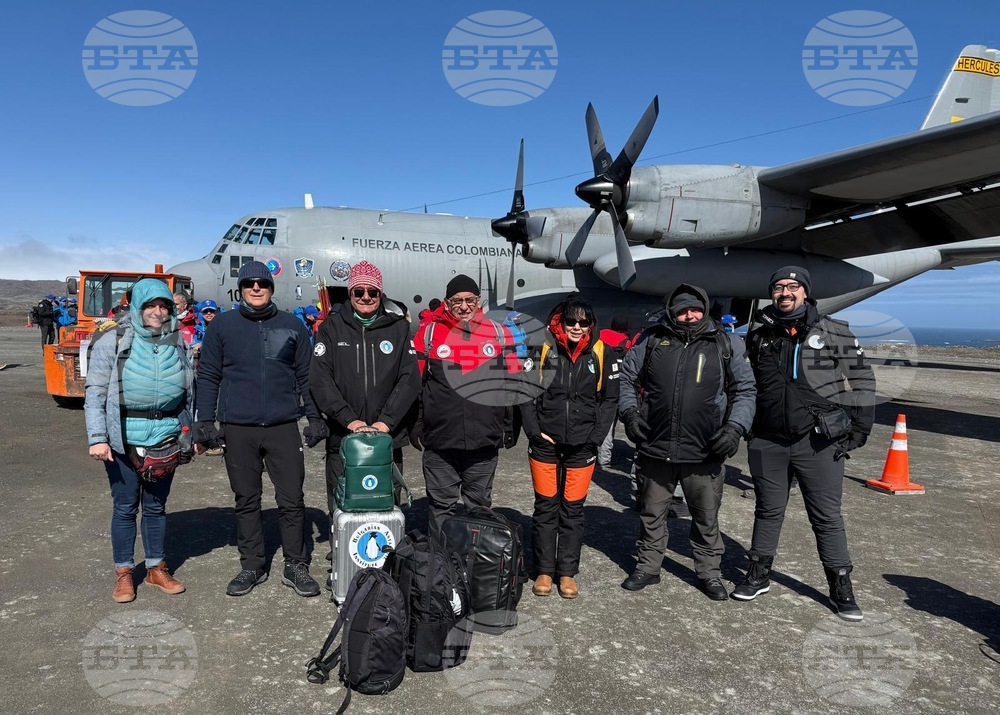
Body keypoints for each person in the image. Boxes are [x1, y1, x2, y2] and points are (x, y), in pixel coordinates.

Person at [734, 266, 875, 620]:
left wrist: (859, 430)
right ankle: (758, 574)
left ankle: (841, 586)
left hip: (818, 441)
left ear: (806, 292)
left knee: (827, 517)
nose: (785, 291)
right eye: (779, 286)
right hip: (768, 440)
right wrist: (749, 428)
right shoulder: (759, 334)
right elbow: (749, 384)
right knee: (768, 510)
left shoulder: (834, 332)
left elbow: (862, 380)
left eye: (793, 286)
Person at [194, 260, 328, 598]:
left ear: (271, 288)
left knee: (292, 498)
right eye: (250, 283)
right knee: (246, 498)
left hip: (282, 426)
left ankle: (296, 564)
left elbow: (305, 376)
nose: (256, 288)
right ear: (240, 288)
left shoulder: (291, 326)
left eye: (262, 284)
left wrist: (314, 417)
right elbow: (208, 376)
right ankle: (252, 565)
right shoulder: (222, 327)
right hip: (238, 427)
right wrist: (205, 420)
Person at [619, 284, 756, 600]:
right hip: (656, 447)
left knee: (706, 518)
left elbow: (745, 390)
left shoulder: (725, 343)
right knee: (652, 513)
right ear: (672, 312)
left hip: (704, 450)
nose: (689, 315)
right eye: (682, 310)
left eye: (695, 309)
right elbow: (627, 379)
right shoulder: (652, 340)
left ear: (705, 310)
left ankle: (709, 573)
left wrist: (734, 428)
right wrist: (629, 413)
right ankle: (648, 568)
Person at [309, 261, 419, 587]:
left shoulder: (398, 328)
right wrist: (349, 419)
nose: (366, 296)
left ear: (381, 293)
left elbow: (409, 380)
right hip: (344, 437)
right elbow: (320, 380)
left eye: (373, 291)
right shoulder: (330, 328)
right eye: (360, 291)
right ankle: (343, 561)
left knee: (384, 499)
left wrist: (386, 422)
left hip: (385, 439)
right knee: (342, 501)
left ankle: (386, 563)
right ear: (351, 292)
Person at [84, 279, 193, 603]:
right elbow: (95, 393)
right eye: (150, 305)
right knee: (125, 508)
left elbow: (190, 390)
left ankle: (156, 568)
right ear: (138, 307)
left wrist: (191, 433)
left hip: (165, 437)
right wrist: (97, 437)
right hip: (123, 440)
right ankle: (124, 573)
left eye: (164, 306)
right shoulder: (113, 339)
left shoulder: (177, 341)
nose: (157, 312)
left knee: (157, 508)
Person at [520, 296, 618, 599]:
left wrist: (595, 438)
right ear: (561, 322)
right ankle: (545, 571)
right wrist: (534, 432)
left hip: (582, 446)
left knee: (573, 511)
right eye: (571, 321)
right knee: (546, 508)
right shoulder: (542, 349)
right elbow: (525, 392)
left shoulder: (603, 352)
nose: (577, 327)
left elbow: (610, 400)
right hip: (545, 444)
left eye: (583, 322)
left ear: (591, 324)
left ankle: (566, 573)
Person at [411, 274, 522, 543]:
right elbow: (416, 385)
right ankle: (441, 568)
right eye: (457, 300)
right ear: (447, 303)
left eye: (469, 300)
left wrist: (510, 425)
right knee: (441, 507)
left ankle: (475, 567)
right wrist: (416, 423)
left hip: (483, 440)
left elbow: (513, 383)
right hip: (440, 440)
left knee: (479, 507)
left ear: (479, 301)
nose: (463, 306)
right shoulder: (428, 334)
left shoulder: (499, 333)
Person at [597, 315, 632, 467]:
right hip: (618, 387)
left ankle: (595, 454)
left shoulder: (601, 335)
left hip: (600, 385)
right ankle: (604, 459)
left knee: (601, 421)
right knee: (611, 422)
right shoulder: (627, 342)